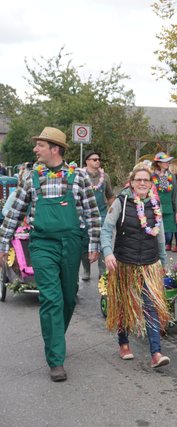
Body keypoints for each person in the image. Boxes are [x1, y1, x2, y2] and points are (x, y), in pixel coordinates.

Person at [0, 127, 101, 382]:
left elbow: (92, 213)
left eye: (40, 145)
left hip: (71, 242)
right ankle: (56, 359)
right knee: (51, 299)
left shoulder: (78, 177)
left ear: (55, 149)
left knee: (68, 298)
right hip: (42, 244)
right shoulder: (31, 177)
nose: (35, 149)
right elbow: (14, 213)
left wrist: (94, 245)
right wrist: (3, 244)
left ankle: (56, 336)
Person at [101, 163, 171, 368]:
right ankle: (123, 344)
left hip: (149, 264)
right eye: (138, 180)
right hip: (125, 262)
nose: (142, 183)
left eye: (146, 180)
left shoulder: (155, 204)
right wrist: (107, 252)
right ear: (131, 182)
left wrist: (163, 262)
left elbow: (160, 237)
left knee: (151, 307)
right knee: (123, 305)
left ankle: (156, 353)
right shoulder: (121, 202)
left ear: (150, 183)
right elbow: (106, 229)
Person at [80, 150, 114, 281]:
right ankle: (86, 270)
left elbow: (110, 196)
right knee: (84, 242)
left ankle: (102, 271)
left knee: (103, 240)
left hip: (102, 213)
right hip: (85, 214)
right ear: (87, 161)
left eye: (99, 159)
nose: (98, 161)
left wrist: (114, 212)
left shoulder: (105, 177)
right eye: (94, 159)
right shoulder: (80, 176)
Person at [152, 152, 177, 251]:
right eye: (165, 161)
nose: (168, 163)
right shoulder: (152, 177)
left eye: (168, 161)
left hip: (168, 209)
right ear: (159, 163)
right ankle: (157, 253)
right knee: (156, 234)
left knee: (168, 236)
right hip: (155, 210)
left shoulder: (171, 176)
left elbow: (175, 195)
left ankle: (161, 250)